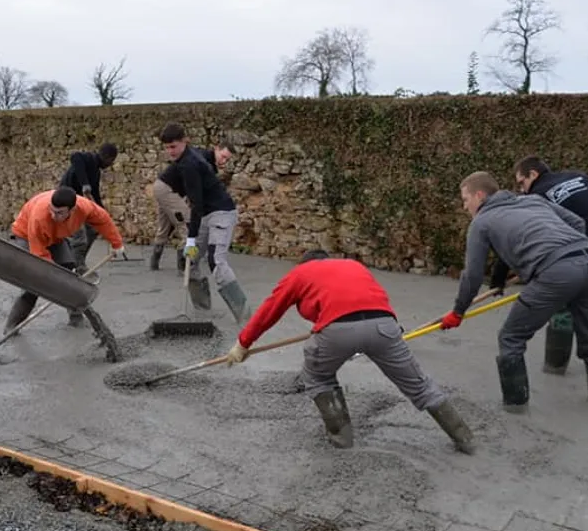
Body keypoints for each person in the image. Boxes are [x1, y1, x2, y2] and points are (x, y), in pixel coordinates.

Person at [223, 250, 476, 453]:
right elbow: (373, 297)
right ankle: (464, 438)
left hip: (337, 332)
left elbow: (270, 309)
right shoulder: (353, 266)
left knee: (318, 377)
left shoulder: (300, 273)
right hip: (385, 327)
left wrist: (243, 343)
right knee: (420, 385)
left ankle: (342, 441)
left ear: (305, 263)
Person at [440, 171, 588, 413]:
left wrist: (458, 312)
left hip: (556, 273)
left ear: (479, 195)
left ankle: (516, 409)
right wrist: (503, 279)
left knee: (510, 338)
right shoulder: (533, 200)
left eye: (465, 199)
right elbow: (578, 224)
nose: (464, 206)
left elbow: (472, 275)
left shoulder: (482, 222)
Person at [512, 156, 588, 373]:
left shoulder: (538, 197)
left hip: (585, 249)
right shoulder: (578, 176)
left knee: (563, 309)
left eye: (522, 183)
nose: (522, 190)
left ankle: (555, 367)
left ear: (533, 174)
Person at [159, 122, 250, 324]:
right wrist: (190, 242)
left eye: (173, 146)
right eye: (166, 147)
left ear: (184, 142)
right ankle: (203, 311)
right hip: (205, 214)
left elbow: (196, 204)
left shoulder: (190, 164)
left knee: (216, 261)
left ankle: (245, 316)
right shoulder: (188, 158)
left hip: (222, 213)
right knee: (188, 260)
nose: (169, 151)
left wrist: (191, 238)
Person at [5, 186, 126, 332]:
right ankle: (12, 326)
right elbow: (40, 257)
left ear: (72, 210)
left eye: (59, 213)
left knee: (70, 272)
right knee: (34, 283)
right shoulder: (40, 216)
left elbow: (103, 220)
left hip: (55, 238)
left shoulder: (84, 207)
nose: (54, 216)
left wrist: (117, 244)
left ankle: (76, 319)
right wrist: (53, 280)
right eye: (52, 210)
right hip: (26, 236)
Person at [148, 141, 236, 273]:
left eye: (227, 159)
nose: (223, 161)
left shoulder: (198, 156)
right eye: (223, 156)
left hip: (162, 186)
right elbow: (196, 195)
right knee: (188, 222)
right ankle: (184, 264)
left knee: (165, 225)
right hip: (169, 189)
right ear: (216, 149)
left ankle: (154, 263)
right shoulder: (203, 161)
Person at [59, 143, 118, 277]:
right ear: (106, 156)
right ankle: (74, 268)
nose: (110, 164)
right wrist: (85, 184)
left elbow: (95, 194)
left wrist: (103, 213)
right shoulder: (87, 158)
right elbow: (75, 157)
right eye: (111, 161)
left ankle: (78, 262)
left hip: (81, 206)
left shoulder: (96, 172)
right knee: (80, 237)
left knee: (93, 229)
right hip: (67, 202)